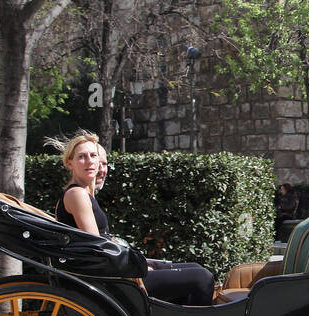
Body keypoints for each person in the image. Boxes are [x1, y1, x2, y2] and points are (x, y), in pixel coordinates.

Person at [51, 131, 215, 306]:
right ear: (70, 163)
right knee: (202, 277)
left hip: (111, 276)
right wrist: (136, 267)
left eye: (93, 155)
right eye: (82, 157)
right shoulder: (77, 194)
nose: (90, 161)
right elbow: (97, 247)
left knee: (196, 268)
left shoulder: (82, 193)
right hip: (111, 282)